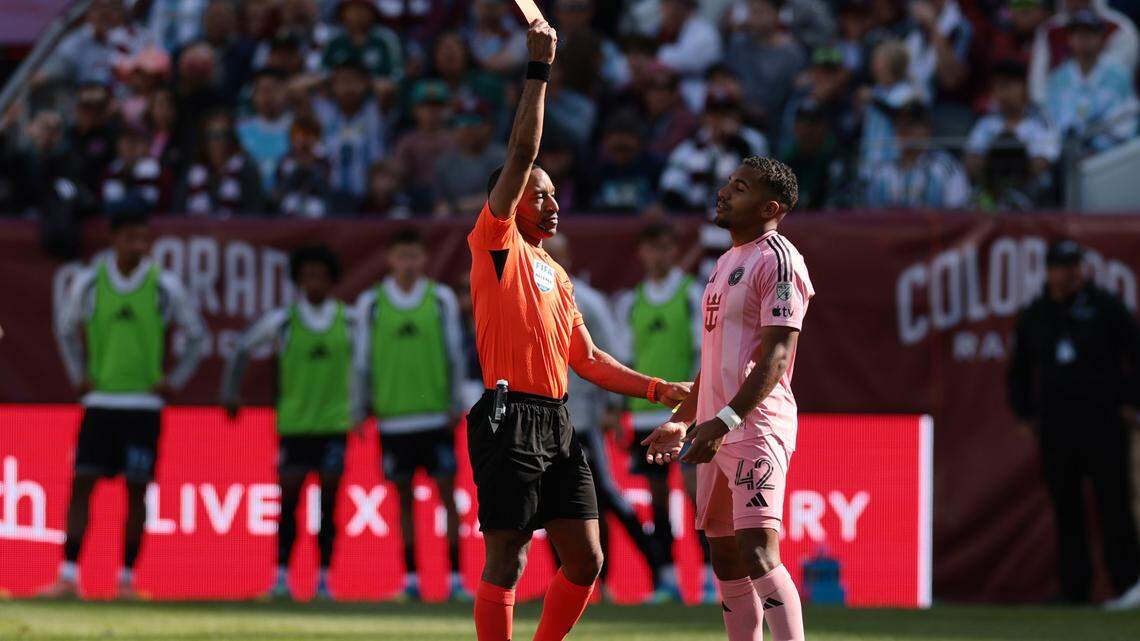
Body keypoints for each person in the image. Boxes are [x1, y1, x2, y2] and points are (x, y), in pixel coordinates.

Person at [465, 20, 690, 641]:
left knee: (588, 559)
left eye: (556, 194)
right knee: (507, 560)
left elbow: (586, 356)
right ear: (508, 202)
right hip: (508, 416)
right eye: (539, 195)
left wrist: (658, 388)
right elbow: (521, 155)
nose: (552, 203)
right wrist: (539, 70)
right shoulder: (495, 242)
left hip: (559, 420)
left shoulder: (558, 276)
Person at [642, 156, 815, 641]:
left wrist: (722, 421)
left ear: (770, 206)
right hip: (715, 425)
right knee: (724, 554)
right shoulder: (724, 262)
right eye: (729, 183)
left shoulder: (779, 259)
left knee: (759, 550)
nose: (723, 192)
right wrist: (684, 418)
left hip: (754, 425)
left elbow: (778, 356)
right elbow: (716, 360)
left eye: (740, 188)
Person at [48, 211, 207, 598]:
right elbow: (66, 329)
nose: (138, 246)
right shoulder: (89, 282)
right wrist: (78, 375)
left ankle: (128, 578)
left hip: (144, 405)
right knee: (82, 484)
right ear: (114, 238)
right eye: (130, 238)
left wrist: (174, 381)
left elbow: (197, 336)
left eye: (143, 238)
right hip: (100, 401)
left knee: (136, 490)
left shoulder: (163, 286)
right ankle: (68, 574)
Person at [219, 244, 357, 600]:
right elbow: (241, 348)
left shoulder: (349, 320)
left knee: (329, 505)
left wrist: (361, 408)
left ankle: (325, 578)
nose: (314, 282)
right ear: (298, 281)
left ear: (331, 281)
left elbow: (367, 368)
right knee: (290, 503)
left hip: (333, 425)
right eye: (308, 276)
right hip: (294, 426)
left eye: (321, 276)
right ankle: (281, 576)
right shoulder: (283, 321)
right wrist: (231, 392)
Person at [1007, 239, 1140, 607]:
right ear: (1049, 271)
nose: (1072, 272)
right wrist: (1024, 413)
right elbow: (1017, 371)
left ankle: (1129, 587)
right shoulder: (1035, 313)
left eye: (1077, 265)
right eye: (1065, 265)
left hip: (1103, 423)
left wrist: (1131, 401)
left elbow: (1136, 353)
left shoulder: (1105, 306)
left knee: (1113, 506)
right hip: (1056, 428)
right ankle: (1074, 591)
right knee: (1066, 511)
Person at [543, 234, 665, 603]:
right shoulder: (530, 295)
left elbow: (607, 354)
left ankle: (656, 565)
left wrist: (614, 408)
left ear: (566, 256)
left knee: (603, 499)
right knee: (554, 506)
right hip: (544, 422)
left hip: (581, 420)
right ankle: (570, 585)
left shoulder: (587, 301)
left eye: (555, 253)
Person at [354, 228, 469, 601]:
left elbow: (455, 354)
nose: (408, 263)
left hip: (435, 417)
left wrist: (454, 402)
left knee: (448, 497)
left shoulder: (440, 299)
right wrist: (359, 408)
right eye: (401, 256)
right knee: (403, 501)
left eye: (414, 256)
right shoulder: (371, 303)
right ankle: (410, 580)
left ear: (424, 258)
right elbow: (361, 362)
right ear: (390, 259)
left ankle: (454, 579)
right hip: (392, 418)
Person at [615, 223, 710, 604]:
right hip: (643, 415)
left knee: (695, 495)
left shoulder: (691, 294)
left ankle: (705, 579)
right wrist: (618, 408)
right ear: (641, 252)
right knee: (656, 499)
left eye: (666, 247)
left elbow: (704, 352)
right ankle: (666, 579)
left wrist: (695, 407)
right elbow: (623, 362)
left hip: (686, 415)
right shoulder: (631, 301)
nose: (659, 255)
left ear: (675, 250)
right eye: (651, 248)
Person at [1045, 11, 1139, 154]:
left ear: (1100, 39)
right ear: (1070, 39)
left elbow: (1127, 122)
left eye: (1090, 34)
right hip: (1066, 157)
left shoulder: (1119, 76)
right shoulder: (1057, 79)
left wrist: (1098, 143)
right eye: (1079, 35)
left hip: (1107, 158)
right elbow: (1050, 123)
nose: (1084, 40)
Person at [863, 101, 970, 209]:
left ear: (928, 130)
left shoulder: (946, 168)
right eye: (900, 124)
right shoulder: (882, 172)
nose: (904, 131)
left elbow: (957, 213)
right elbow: (872, 215)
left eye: (912, 125)